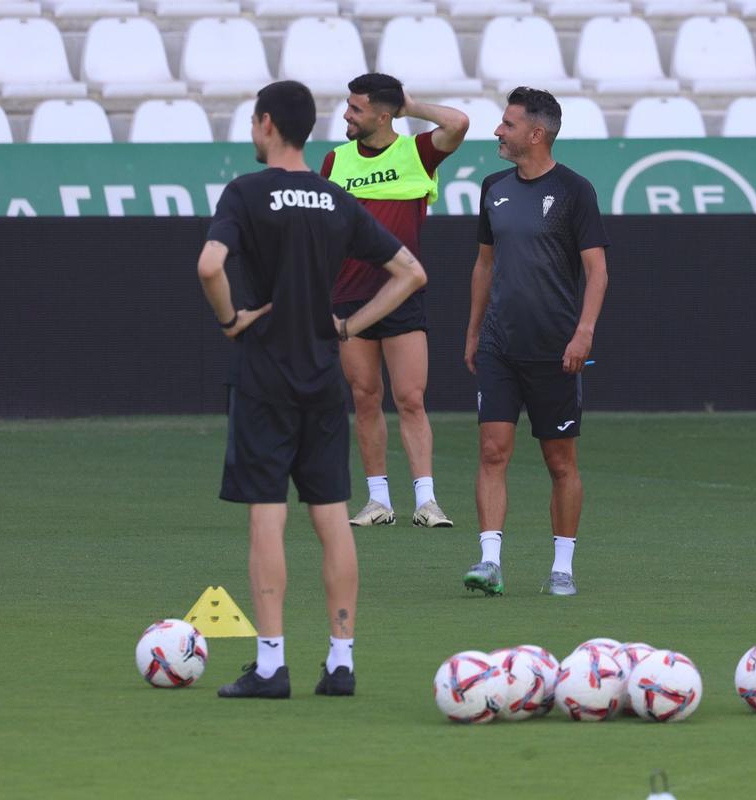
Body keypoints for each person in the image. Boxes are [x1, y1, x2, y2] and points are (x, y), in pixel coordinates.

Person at [197, 80, 427, 699]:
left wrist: (229, 321)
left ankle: (271, 666)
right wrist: (349, 325)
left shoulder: (245, 193)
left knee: (267, 519)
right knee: (332, 520)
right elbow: (412, 272)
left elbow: (209, 265)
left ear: (267, 124)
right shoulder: (336, 198)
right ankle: (342, 661)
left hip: (265, 374)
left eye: (253, 122)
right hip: (324, 376)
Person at [461, 87, 609, 597]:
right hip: (500, 344)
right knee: (492, 450)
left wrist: (583, 332)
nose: (498, 132)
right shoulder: (493, 187)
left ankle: (562, 567)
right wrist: (475, 330)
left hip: (556, 349)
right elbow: (484, 264)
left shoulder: (574, 191)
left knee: (560, 461)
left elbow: (597, 270)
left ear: (536, 133)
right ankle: (489, 562)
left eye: (506, 124)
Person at [320, 73, 469, 529]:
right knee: (365, 398)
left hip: (401, 296)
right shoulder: (334, 161)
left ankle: (426, 501)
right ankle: (378, 501)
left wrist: (411, 104)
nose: (346, 114)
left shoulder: (417, 153)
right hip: (350, 299)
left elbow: (459, 122)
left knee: (410, 398)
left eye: (356, 109)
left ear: (384, 115)